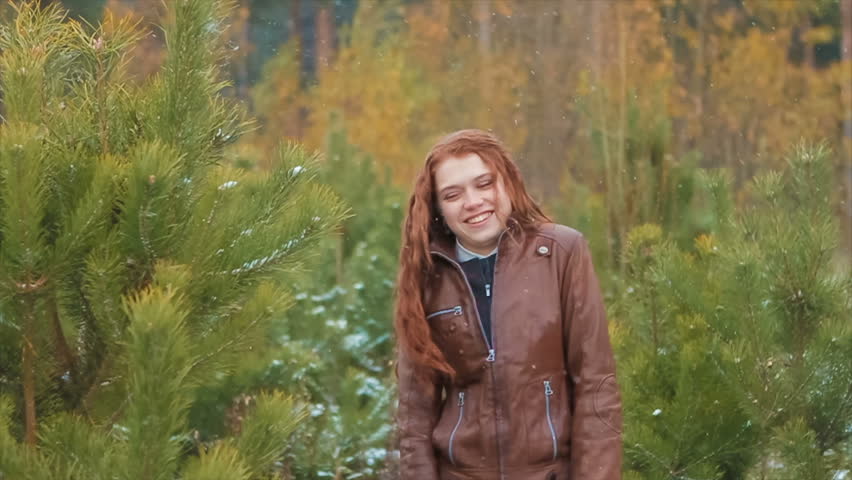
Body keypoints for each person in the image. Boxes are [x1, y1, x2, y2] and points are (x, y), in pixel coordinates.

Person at [394, 129, 622, 480]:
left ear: (507, 183)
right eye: (452, 194)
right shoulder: (427, 276)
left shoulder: (562, 253)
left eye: (484, 184)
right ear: (438, 208)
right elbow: (414, 415)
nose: (472, 201)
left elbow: (596, 387)